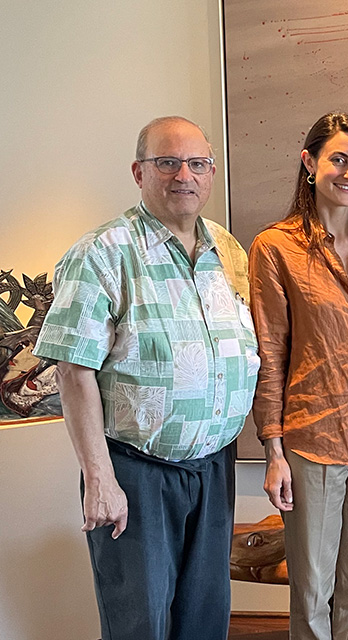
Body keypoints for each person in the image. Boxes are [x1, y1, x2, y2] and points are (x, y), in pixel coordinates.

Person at [33, 116, 260, 640]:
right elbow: (72, 370)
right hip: (135, 475)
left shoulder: (228, 252)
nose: (184, 175)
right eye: (167, 163)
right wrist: (99, 478)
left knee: (205, 621)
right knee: (141, 624)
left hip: (213, 470)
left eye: (197, 164)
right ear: (139, 172)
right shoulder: (101, 253)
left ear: (211, 172)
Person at [248, 112, 348, 640]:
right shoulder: (276, 247)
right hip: (311, 441)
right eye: (338, 159)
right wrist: (272, 450)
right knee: (311, 590)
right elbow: (269, 351)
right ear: (310, 163)